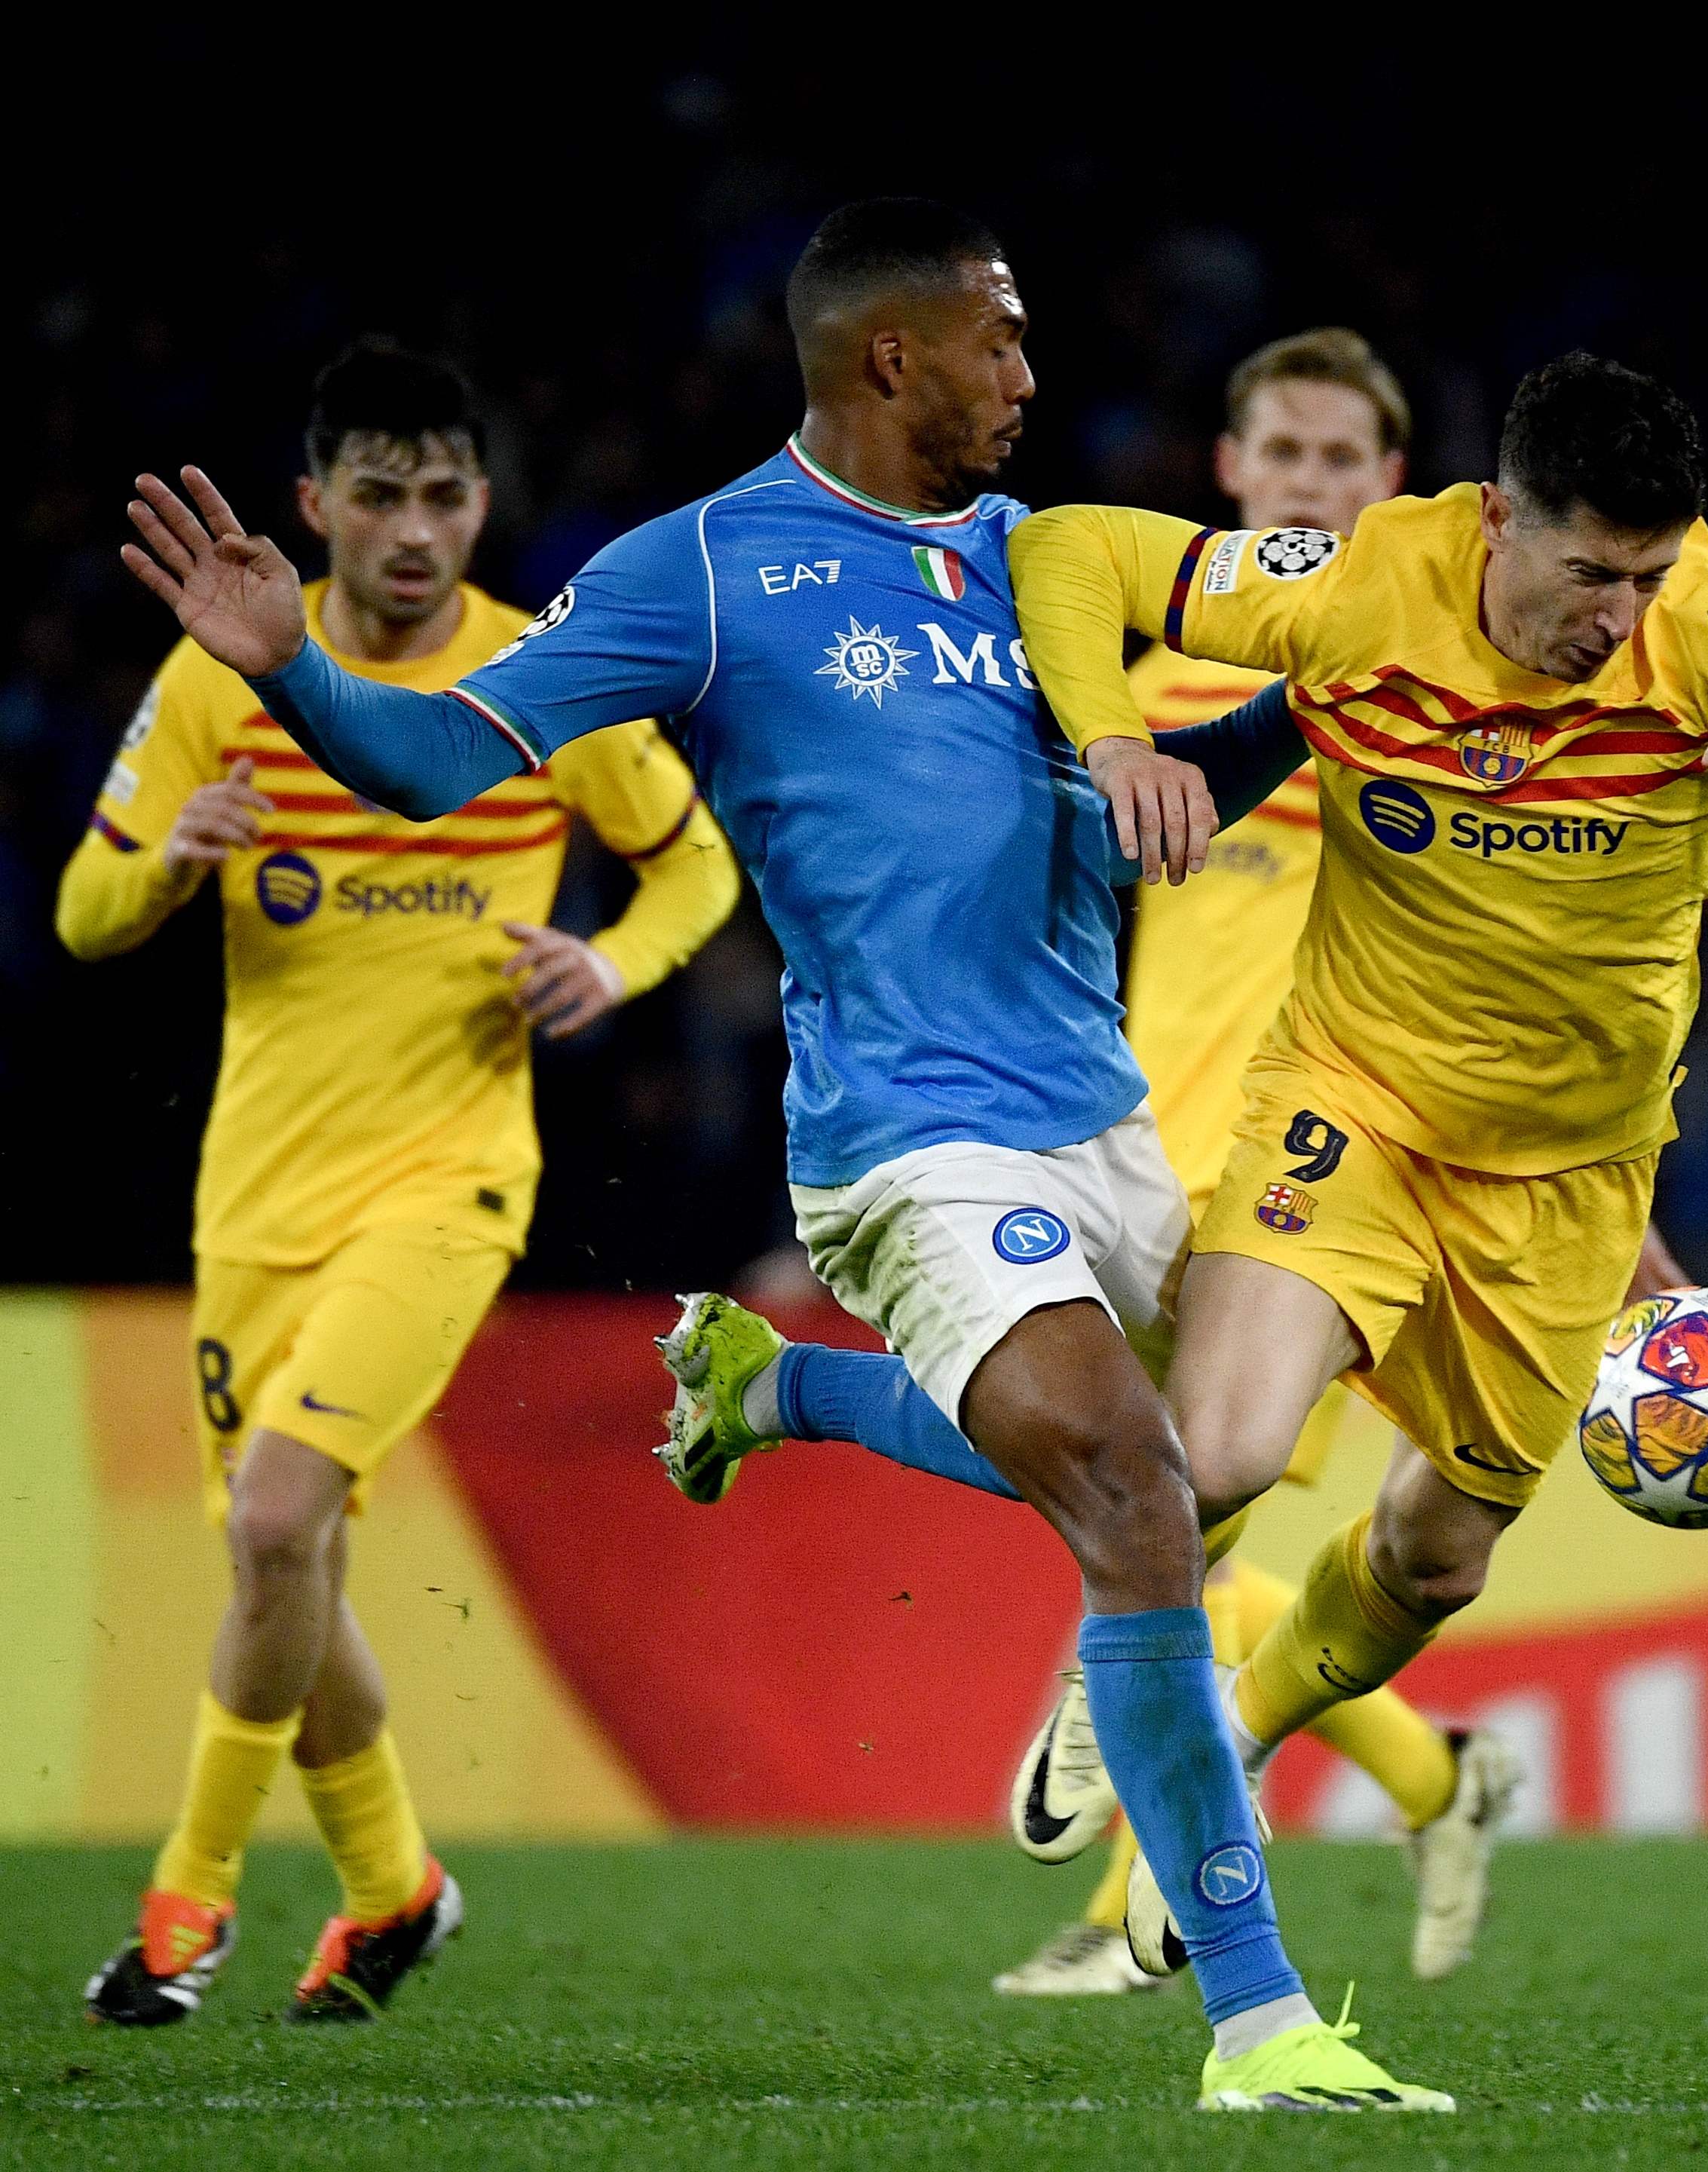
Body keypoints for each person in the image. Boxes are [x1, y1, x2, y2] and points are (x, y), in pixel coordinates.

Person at [113, 201, 1445, 2115]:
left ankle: (786, 1389)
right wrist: (285, 672)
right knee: (1144, 1494)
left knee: (1215, 1464)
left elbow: (1144, 797)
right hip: (906, 1135)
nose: (1030, 375)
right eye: (1000, 340)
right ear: (890, 356)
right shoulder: (707, 572)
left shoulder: (1045, 561)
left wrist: (1308, 700)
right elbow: (435, 762)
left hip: (1106, 1117)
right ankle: (1262, 2023)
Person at [1001, 349, 1708, 1974]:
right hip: (1354, 1104)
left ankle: (1251, 1722)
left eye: (1644, 575)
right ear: (1494, 521)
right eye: (1586, 572)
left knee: (1432, 1555)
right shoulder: (1361, 578)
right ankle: (1144, 1729)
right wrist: (1115, 736)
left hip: (1569, 1174)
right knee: (1227, 1452)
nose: (1615, 612)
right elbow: (1066, 548)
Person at [68, 343, 739, 2026]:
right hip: (256, 1200)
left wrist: (611, 964)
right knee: (278, 1568)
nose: (415, 526)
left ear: (482, 504)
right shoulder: (228, 666)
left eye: (445, 492)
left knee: (279, 1519)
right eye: (379, 491)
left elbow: (695, 863)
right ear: (317, 507)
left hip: (450, 1180)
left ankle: (185, 1909)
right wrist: (169, 864)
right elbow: (85, 911)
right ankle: (394, 1888)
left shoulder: (535, 673)